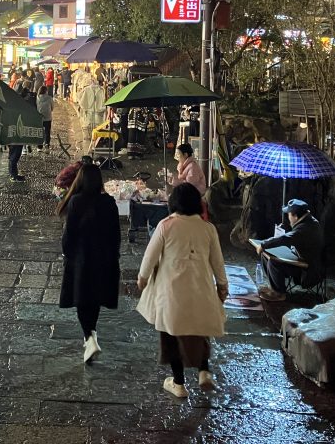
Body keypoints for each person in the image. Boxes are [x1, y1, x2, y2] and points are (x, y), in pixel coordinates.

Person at [136, 183, 228, 398]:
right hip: (202, 288)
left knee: (170, 334)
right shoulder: (208, 229)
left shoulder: (166, 226)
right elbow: (218, 262)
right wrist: (222, 286)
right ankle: (204, 371)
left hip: (171, 292)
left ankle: (178, 384)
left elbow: (149, 258)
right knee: (200, 328)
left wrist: (143, 278)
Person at [58, 164, 120, 363]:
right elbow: (116, 235)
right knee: (94, 299)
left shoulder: (76, 202)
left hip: (82, 260)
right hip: (104, 259)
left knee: (82, 299)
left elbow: (69, 235)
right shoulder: (109, 202)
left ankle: (89, 337)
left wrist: (68, 254)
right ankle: (91, 334)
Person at [252, 198, 324, 302]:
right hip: (300, 259)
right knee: (265, 254)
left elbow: (286, 238)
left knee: (273, 261)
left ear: (295, 216)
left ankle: (279, 293)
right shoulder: (308, 221)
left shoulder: (305, 228)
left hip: (308, 271)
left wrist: (263, 245)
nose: (288, 217)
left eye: (289, 214)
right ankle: (274, 287)